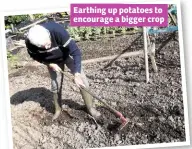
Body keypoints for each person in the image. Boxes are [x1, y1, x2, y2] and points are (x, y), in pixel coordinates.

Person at [25, 21, 101, 120]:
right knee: (55, 85)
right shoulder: (30, 42)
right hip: (52, 62)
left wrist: (77, 75)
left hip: (67, 56)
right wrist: (48, 63)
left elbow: (76, 52)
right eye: (43, 47)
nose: (47, 47)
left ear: (49, 35)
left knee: (83, 81)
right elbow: (35, 56)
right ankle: (58, 109)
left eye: (48, 43)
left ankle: (90, 108)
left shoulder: (57, 30)